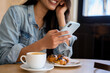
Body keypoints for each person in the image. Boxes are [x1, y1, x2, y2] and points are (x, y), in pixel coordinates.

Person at [0, 0, 77, 65]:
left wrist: (60, 15)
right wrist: (42, 44)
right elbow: (3, 56)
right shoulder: (16, 13)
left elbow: (64, 58)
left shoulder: (53, 21)